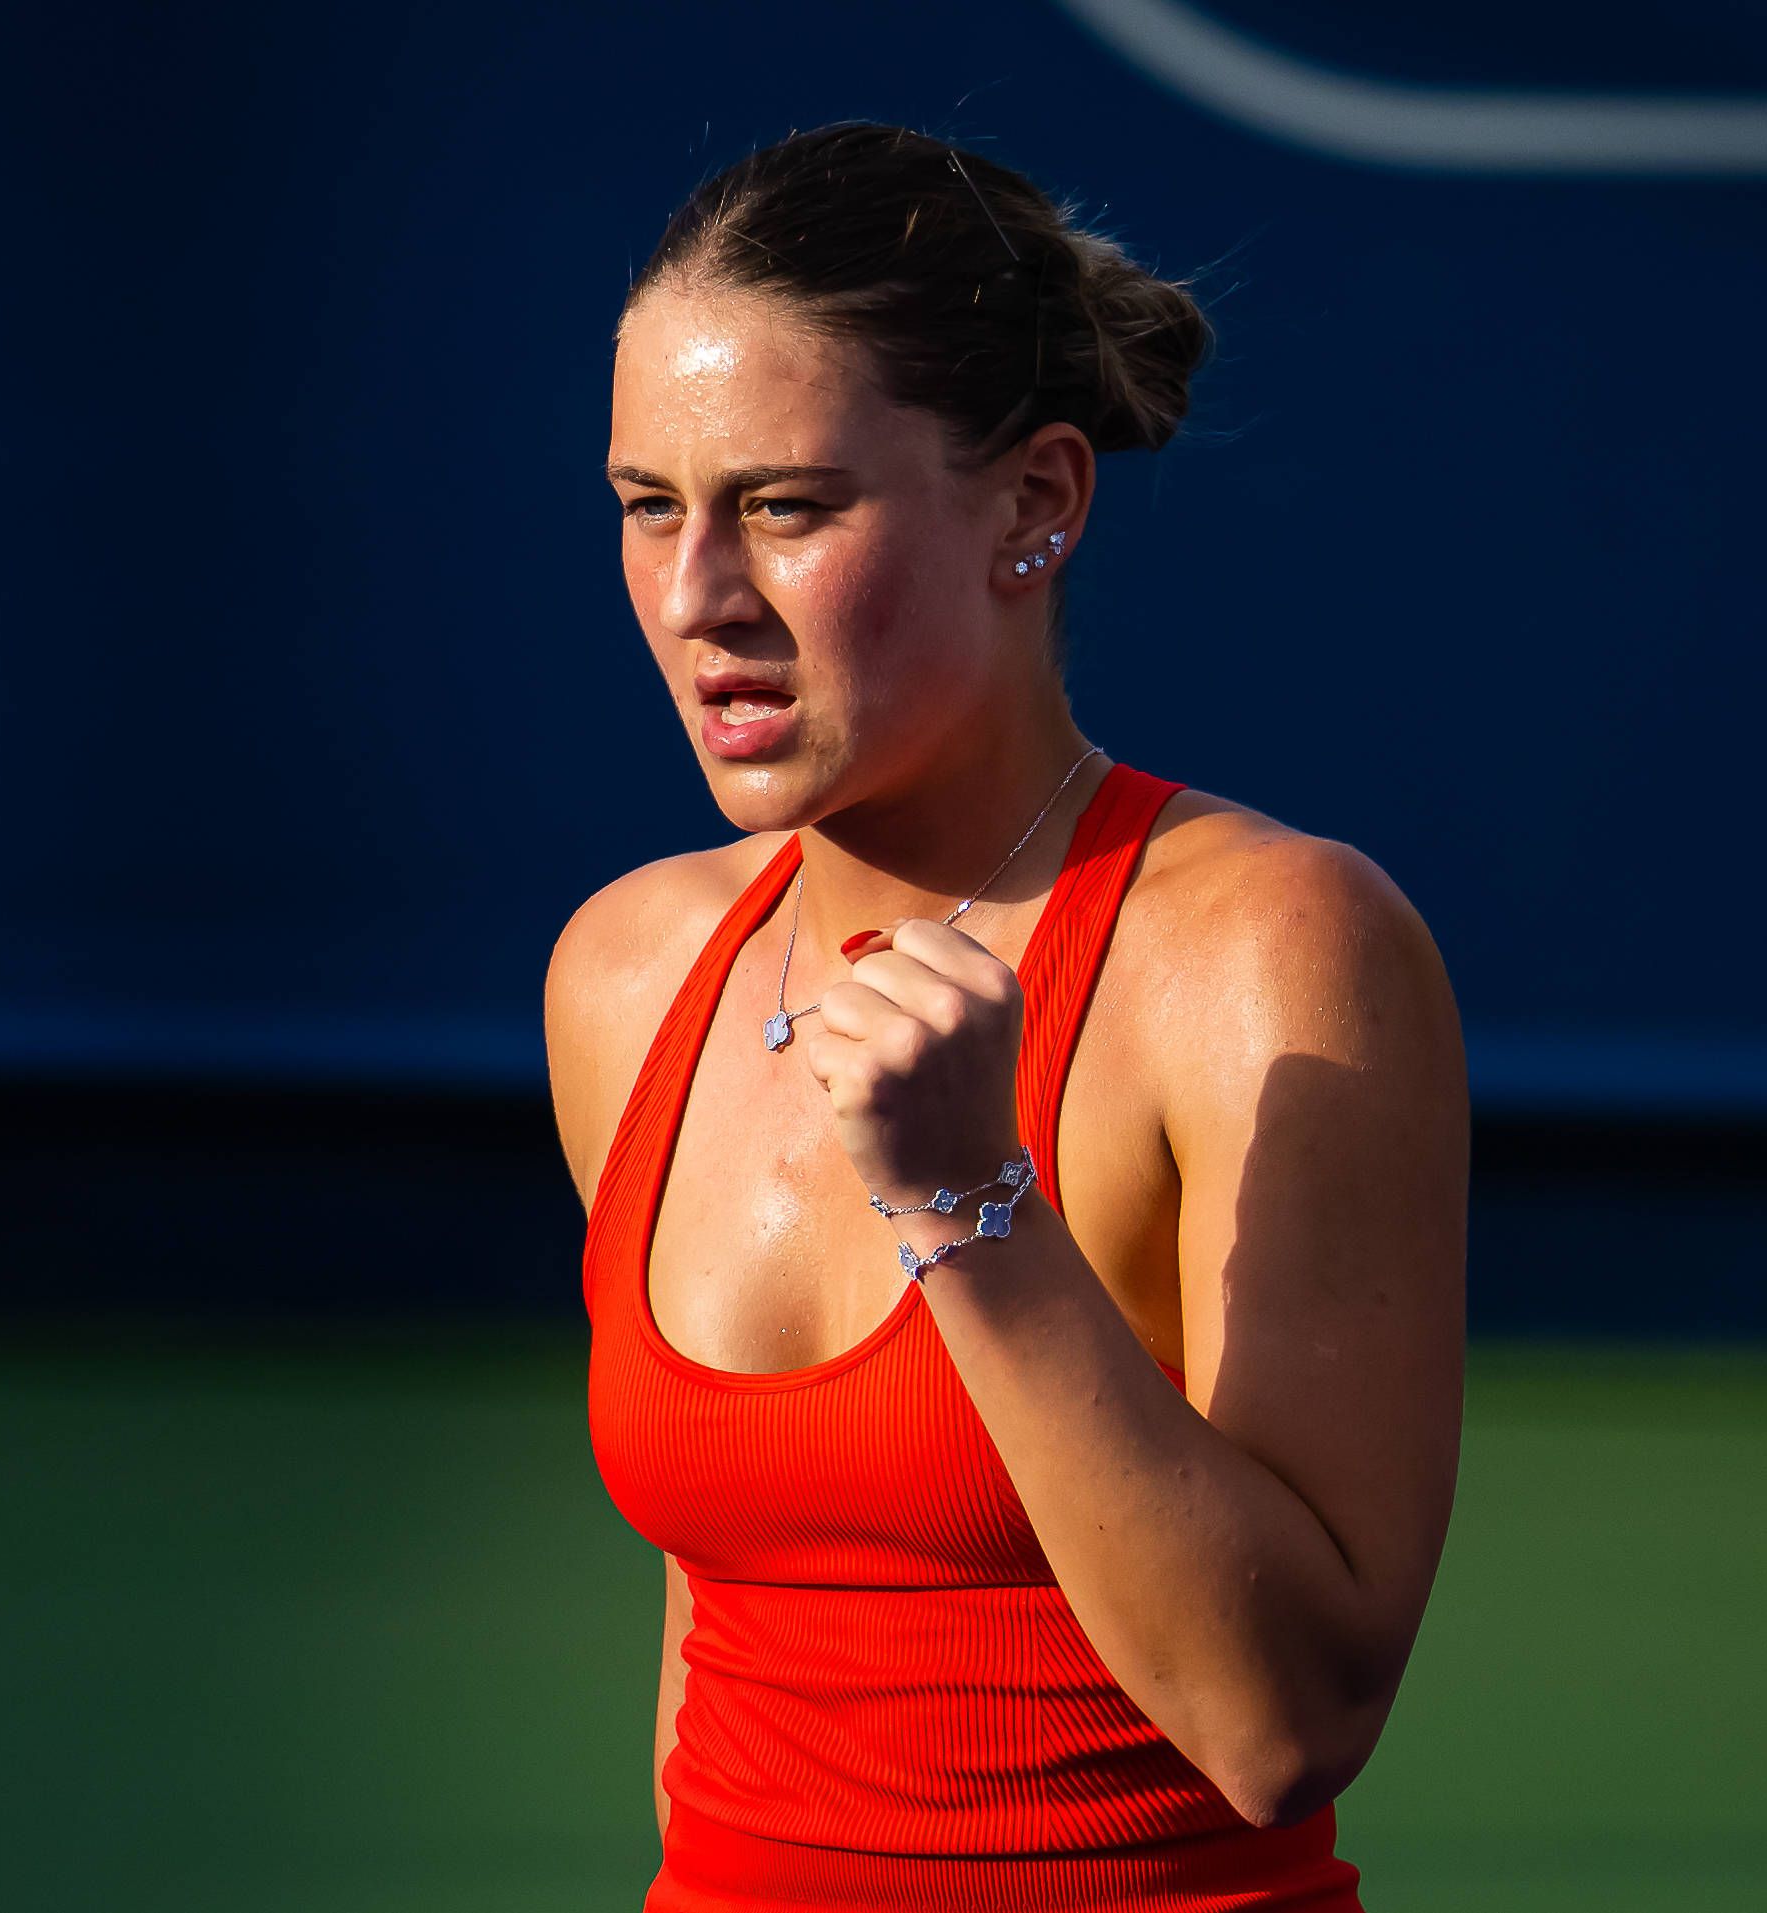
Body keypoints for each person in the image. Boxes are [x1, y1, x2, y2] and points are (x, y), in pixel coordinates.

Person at [544, 120, 1467, 1910]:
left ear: (1036, 502)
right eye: (648, 506)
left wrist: (971, 1206)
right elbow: (712, 1647)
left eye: (786, 507)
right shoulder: (627, 970)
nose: (693, 597)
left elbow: (1282, 1720)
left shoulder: (1278, 950)